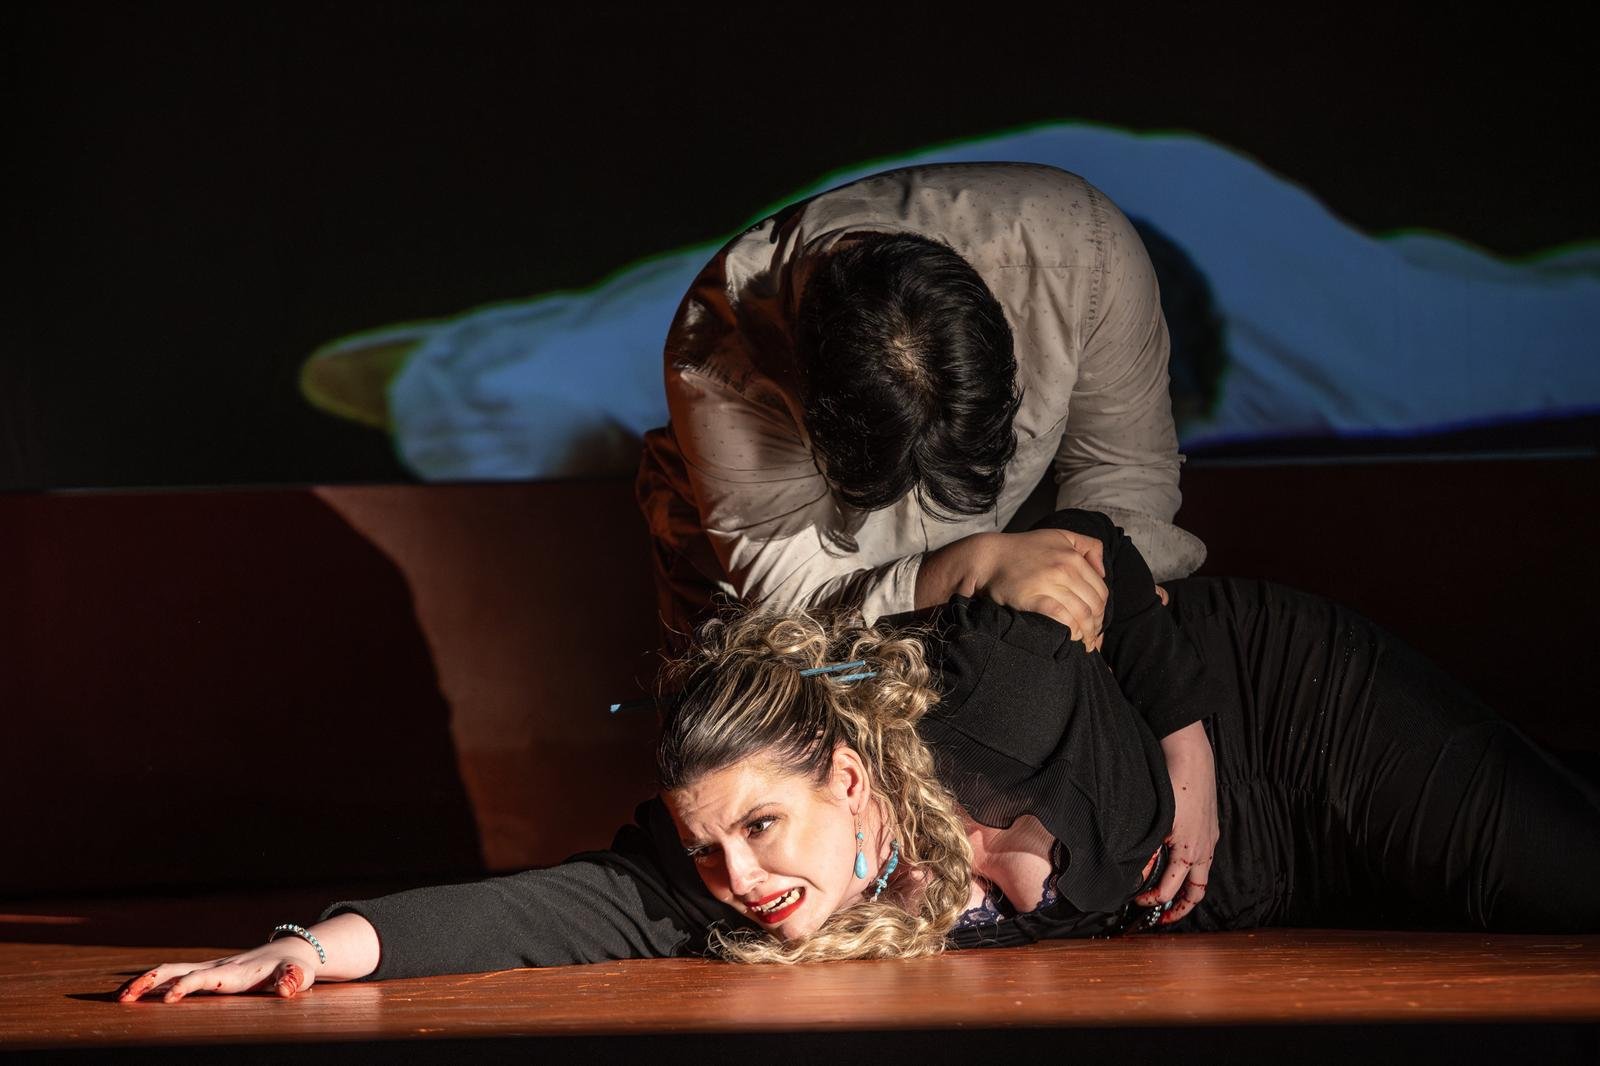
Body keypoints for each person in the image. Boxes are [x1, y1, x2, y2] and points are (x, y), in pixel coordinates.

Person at [117, 511, 1600, 1000]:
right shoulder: (732, 866)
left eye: (758, 825)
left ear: (847, 774)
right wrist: (307, 945)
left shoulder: (988, 696)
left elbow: (1105, 550)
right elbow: (540, 904)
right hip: (1287, 882)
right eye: (707, 847)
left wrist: (1193, 751)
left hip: (1299, 717)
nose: (737, 875)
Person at [634, 162, 1207, 648]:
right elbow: (796, 604)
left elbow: (1121, 467)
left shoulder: (1088, 254)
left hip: (1008, 563)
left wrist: (1098, 578)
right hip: (758, 592)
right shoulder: (717, 354)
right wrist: (971, 570)